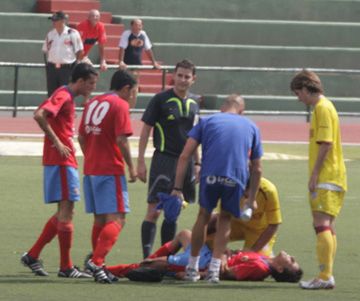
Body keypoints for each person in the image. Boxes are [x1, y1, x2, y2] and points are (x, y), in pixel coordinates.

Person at [172, 94, 263, 283]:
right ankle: (213, 271)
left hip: (210, 175)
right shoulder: (252, 126)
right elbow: (257, 168)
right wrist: (251, 197)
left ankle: (192, 267)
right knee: (225, 219)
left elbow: (184, 156)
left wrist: (177, 188)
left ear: (223, 108)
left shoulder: (208, 120)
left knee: (203, 216)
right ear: (241, 111)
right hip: (236, 177)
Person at [21, 63, 98, 278]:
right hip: (61, 160)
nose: (92, 87)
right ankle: (66, 267)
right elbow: (39, 114)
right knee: (67, 211)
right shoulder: (64, 95)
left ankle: (33, 256)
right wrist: (57, 141)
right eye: (91, 83)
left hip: (63, 159)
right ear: (80, 81)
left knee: (65, 211)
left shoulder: (67, 96)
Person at [78, 70, 138, 284]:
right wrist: (131, 167)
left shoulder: (93, 102)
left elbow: (81, 138)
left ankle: (99, 265)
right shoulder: (120, 105)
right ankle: (96, 261)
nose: (134, 97)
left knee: (100, 220)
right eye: (135, 92)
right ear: (126, 89)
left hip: (91, 170)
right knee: (118, 219)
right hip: (110, 170)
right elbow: (122, 140)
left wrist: (92, 158)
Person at [137, 59, 200, 259]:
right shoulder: (160, 99)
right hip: (163, 160)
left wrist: (198, 162)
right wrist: (140, 161)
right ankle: (147, 257)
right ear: (174, 76)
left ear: (193, 79)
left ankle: (163, 258)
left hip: (186, 164)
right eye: (179, 75)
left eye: (186, 77)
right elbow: (146, 130)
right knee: (154, 211)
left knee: (173, 213)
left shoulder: (194, 104)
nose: (182, 80)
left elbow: (196, 135)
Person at [290, 70, 347, 290]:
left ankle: (324, 276)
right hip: (334, 176)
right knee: (328, 227)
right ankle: (327, 274)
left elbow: (326, 143)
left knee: (321, 225)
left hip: (327, 176)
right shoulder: (325, 107)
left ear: (305, 88)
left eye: (298, 93)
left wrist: (314, 174)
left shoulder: (322, 108)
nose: (298, 98)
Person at [106, 229, 303, 283]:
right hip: (209, 255)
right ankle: (156, 267)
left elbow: (226, 273)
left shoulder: (259, 268)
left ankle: (107, 271)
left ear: (280, 268)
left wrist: (222, 256)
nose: (291, 256)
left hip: (205, 262)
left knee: (153, 264)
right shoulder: (264, 259)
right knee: (184, 235)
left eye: (291, 261)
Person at [208, 177, 282, 257]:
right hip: (234, 223)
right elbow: (223, 217)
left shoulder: (269, 191)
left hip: (258, 231)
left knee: (254, 262)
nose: (244, 194)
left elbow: (273, 225)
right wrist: (222, 248)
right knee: (206, 229)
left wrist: (252, 251)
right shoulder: (230, 186)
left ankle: (263, 254)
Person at [42, 11, 84, 96]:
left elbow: (80, 50)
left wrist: (77, 63)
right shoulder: (50, 34)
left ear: (62, 21)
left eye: (55, 20)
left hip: (67, 69)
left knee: (65, 95)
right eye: (52, 20)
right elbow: (45, 50)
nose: (53, 22)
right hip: (52, 68)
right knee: (52, 95)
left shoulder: (72, 33)